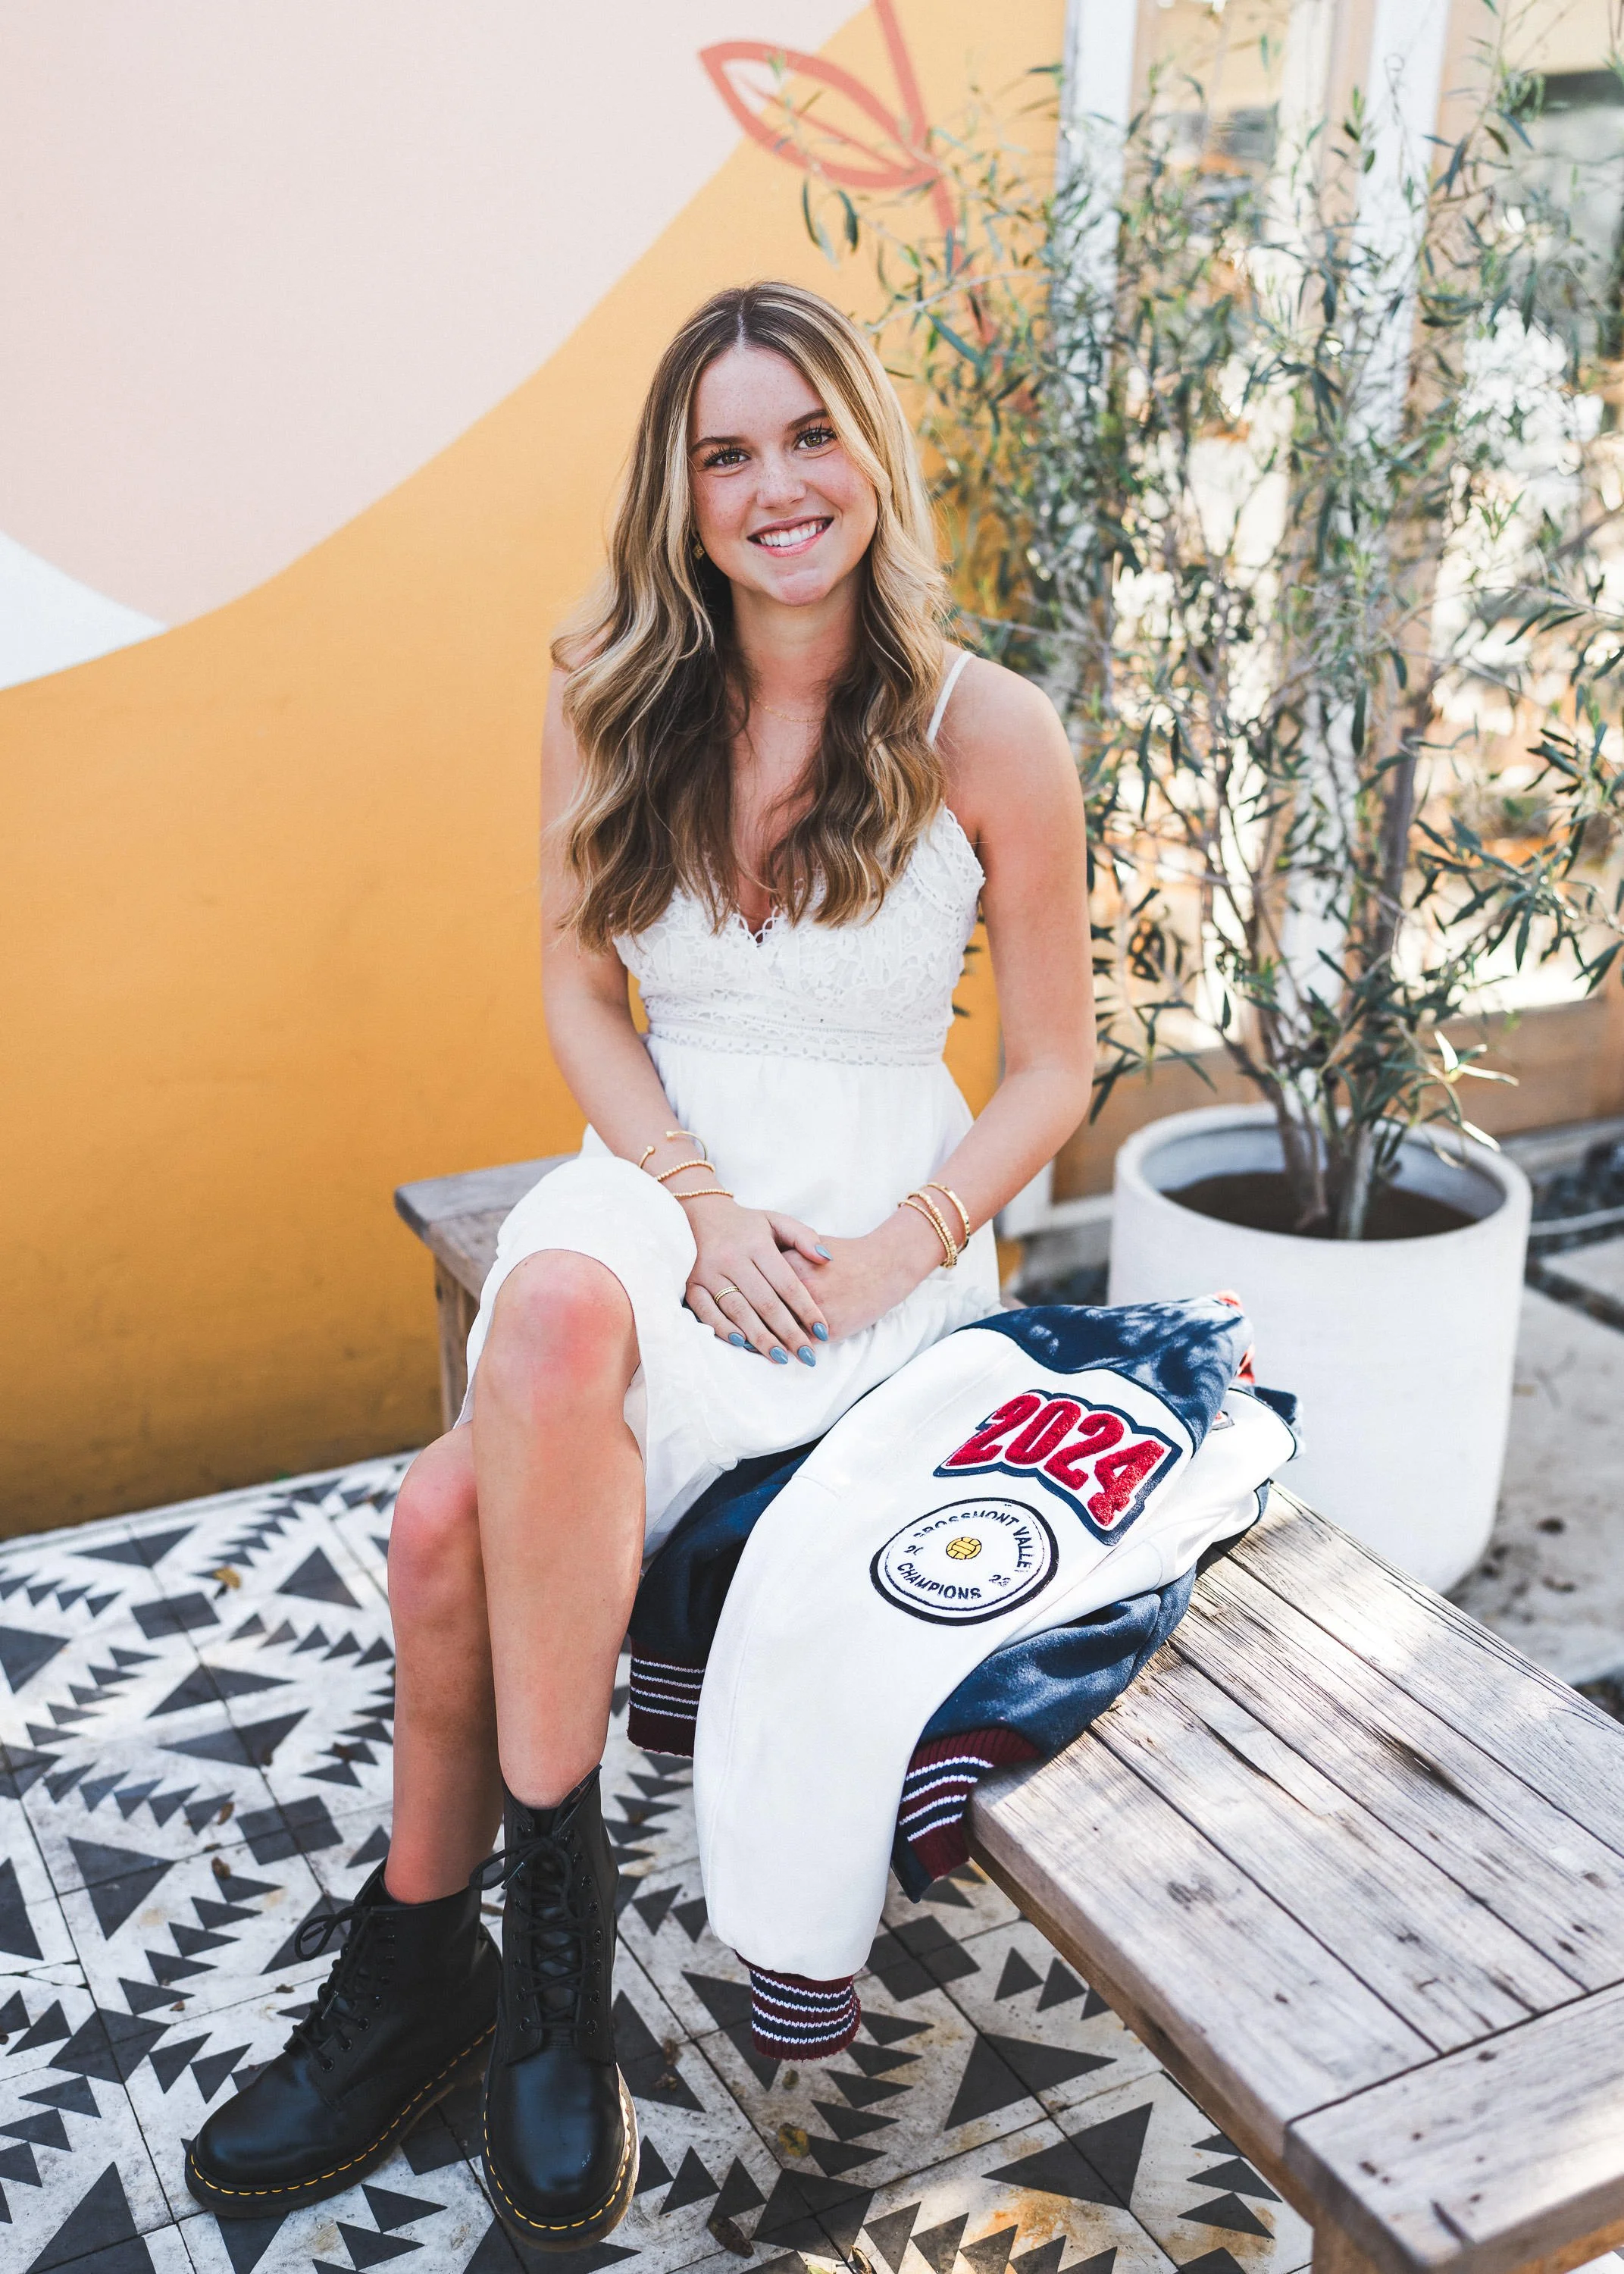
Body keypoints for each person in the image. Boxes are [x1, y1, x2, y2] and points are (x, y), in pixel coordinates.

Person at [185, 280, 1094, 2249]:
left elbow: (1049, 1073)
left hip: (868, 1223)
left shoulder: (982, 727)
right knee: (566, 1306)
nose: (777, 487)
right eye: (726, 454)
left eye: (806, 436)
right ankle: (550, 1975)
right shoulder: (604, 683)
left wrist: (894, 1253)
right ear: (676, 497)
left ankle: (440, 1963)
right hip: (654, 1185)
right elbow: (575, 988)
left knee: (445, 1535)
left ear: (871, 450)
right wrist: (686, 1195)